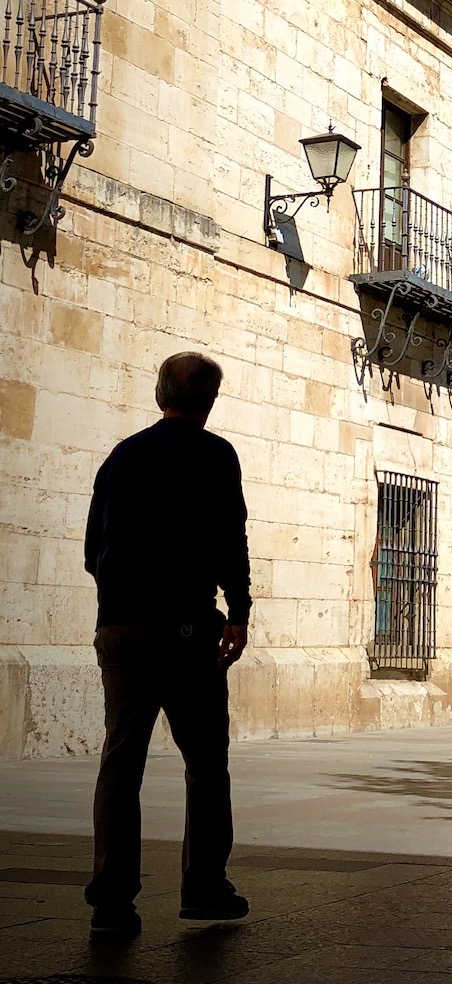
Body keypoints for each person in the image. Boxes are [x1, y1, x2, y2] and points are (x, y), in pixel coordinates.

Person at [82, 353, 252, 939]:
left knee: (120, 760)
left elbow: (91, 549)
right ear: (208, 402)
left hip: (122, 628)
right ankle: (204, 889)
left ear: (160, 394)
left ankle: (111, 901)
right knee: (206, 763)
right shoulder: (216, 456)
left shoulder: (122, 455)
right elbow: (231, 537)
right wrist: (239, 610)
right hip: (185, 631)